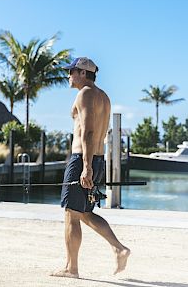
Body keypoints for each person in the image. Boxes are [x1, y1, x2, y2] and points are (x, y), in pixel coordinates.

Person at [51, 57, 130, 279]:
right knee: (85, 212)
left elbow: (87, 131)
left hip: (82, 160)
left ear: (83, 73)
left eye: (72, 71)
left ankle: (71, 268)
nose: (69, 75)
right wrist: (92, 166)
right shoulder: (104, 97)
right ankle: (119, 248)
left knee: (71, 214)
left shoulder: (85, 93)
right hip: (97, 159)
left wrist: (85, 167)